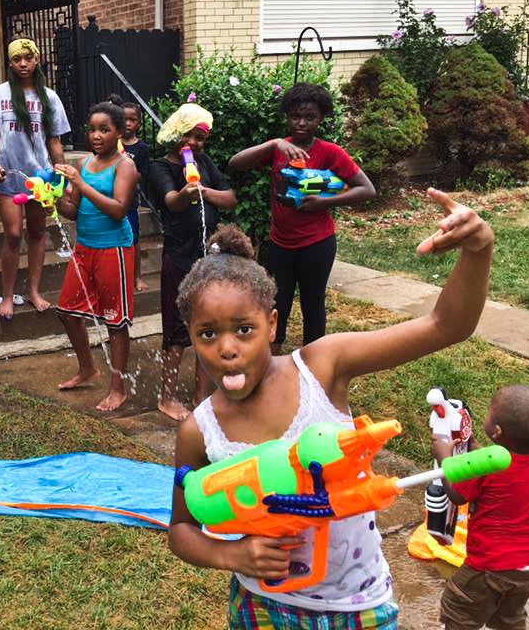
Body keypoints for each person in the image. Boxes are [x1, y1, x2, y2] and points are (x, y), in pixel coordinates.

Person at [167, 189, 494, 629]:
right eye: (208, 334)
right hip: (261, 606)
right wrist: (231, 553)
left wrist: (477, 249)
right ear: (189, 334)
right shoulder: (199, 431)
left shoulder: (322, 368)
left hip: (356, 606)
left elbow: (445, 325)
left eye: (245, 329)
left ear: (273, 324)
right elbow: (181, 530)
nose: (227, 349)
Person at [227, 83, 375, 354]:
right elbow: (235, 163)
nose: (302, 123)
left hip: (316, 243)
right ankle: (273, 358)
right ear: (287, 116)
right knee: (275, 303)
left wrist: (324, 202)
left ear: (321, 118)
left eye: (310, 117)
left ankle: (314, 364)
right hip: (280, 243)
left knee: (313, 303)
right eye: (295, 116)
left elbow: (367, 189)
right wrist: (274, 143)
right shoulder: (279, 149)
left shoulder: (329, 152)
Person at [430, 384, 529, 630]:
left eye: (488, 413)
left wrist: (444, 459)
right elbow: (510, 468)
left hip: (489, 567)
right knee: (509, 620)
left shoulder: (488, 469)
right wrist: (475, 449)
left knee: (458, 611)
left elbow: (456, 495)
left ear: (496, 431)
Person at [148, 102, 237, 421]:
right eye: (189, 136)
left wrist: (204, 191)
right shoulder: (160, 167)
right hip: (179, 257)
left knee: (208, 327)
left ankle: (201, 395)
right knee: (176, 329)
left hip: (209, 259)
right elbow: (171, 202)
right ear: (175, 132)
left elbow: (229, 199)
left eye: (200, 138)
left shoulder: (204, 162)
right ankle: (167, 397)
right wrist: (186, 192)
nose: (194, 144)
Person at [53, 102, 137, 412]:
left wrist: (80, 184)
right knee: (66, 312)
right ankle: (87, 367)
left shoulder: (125, 166)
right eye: (92, 129)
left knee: (115, 321)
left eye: (105, 129)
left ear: (119, 132)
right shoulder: (86, 163)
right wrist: (53, 200)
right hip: (84, 247)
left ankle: (118, 388)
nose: (97, 135)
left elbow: (118, 209)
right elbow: (73, 212)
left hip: (113, 249)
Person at [0, 37, 71, 319]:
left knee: (37, 232)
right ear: (9, 62)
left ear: (36, 60)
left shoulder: (49, 97)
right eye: (17, 59)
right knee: (13, 234)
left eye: (28, 58)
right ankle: (7, 296)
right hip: (8, 176)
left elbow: (54, 141)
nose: (23, 64)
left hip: (40, 177)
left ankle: (33, 290)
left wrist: (61, 176)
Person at [110, 96, 151, 293]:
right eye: (123, 119)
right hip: (110, 199)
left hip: (130, 202)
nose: (127, 123)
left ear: (139, 123)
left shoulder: (141, 148)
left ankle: (137, 276)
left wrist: (128, 169)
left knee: (133, 239)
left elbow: (143, 176)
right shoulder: (112, 143)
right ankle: (115, 275)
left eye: (132, 119)